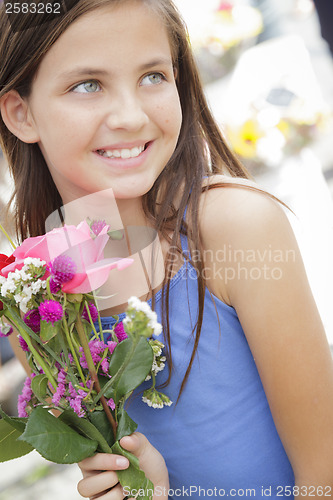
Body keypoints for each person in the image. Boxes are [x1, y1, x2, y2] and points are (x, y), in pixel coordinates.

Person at [0, 0, 333, 498]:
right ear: (21, 113)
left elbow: (323, 476)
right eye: (87, 85)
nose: (131, 116)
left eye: (152, 76)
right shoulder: (33, 296)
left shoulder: (232, 230)